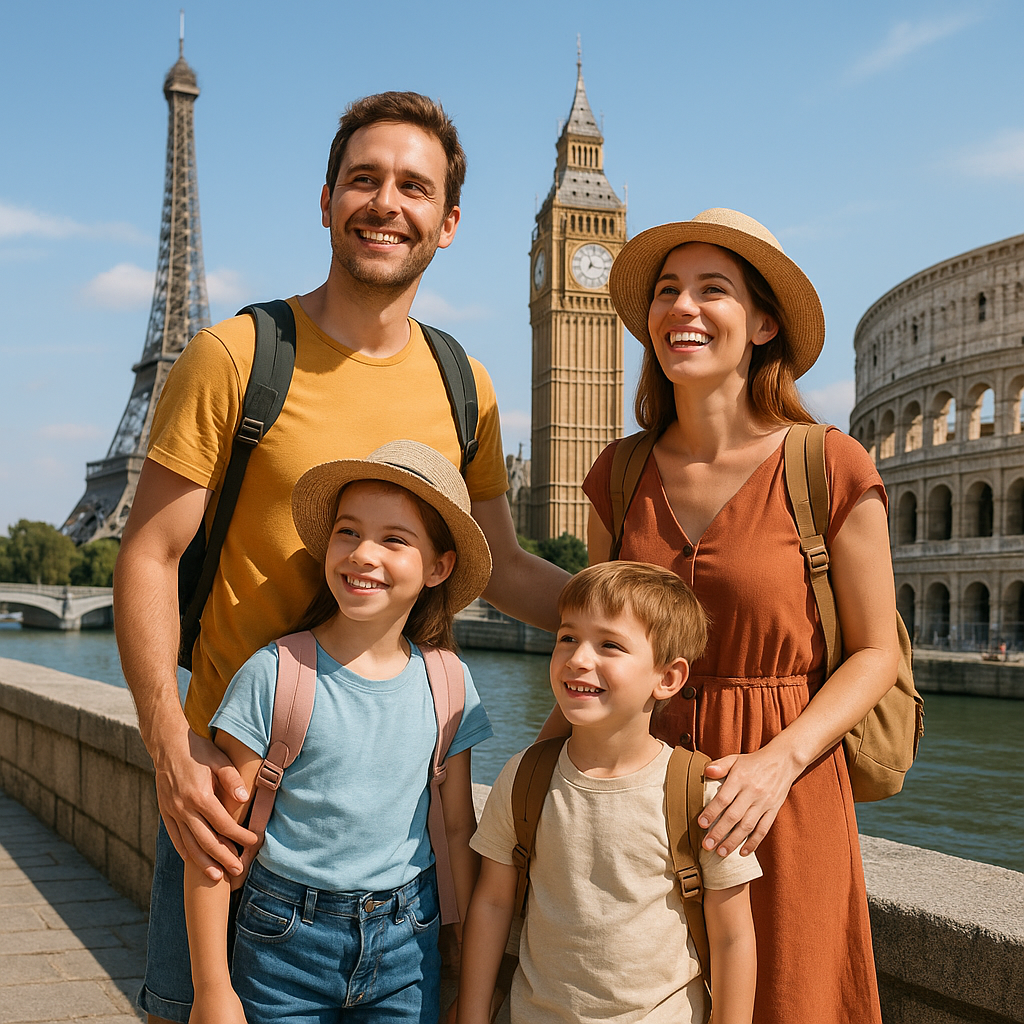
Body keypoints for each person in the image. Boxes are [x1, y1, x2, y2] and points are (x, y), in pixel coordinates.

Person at [114, 91, 569, 1024]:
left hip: (382, 855)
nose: (385, 202)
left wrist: (647, 615)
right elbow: (150, 554)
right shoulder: (236, 355)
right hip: (230, 795)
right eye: (363, 179)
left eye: (413, 186)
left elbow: (509, 567)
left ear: (448, 224)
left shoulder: (462, 384)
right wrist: (170, 747)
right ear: (325, 202)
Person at [580, 209, 900, 1023]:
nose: (682, 307)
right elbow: (595, 651)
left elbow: (873, 653)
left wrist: (776, 763)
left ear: (762, 324)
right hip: (639, 799)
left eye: (711, 289)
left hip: (781, 800)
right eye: (665, 291)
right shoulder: (617, 476)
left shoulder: (827, 463)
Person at [185, 440, 493, 1024]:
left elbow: (457, 829)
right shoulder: (274, 676)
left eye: (394, 539)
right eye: (347, 532)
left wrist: (464, 972)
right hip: (281, 946)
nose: (362, 554)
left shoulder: (449, 683)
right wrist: (211, 989)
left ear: (438, 567)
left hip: (409, 948)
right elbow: (216, 845)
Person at [458, 561, 762, 1024]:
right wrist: (472, 1015)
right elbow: (493, 903)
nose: (579, 658)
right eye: (567, 637)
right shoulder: (524, 777)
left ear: (668, 678)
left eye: (610, 645)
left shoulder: (699, 793)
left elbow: (733, 938)